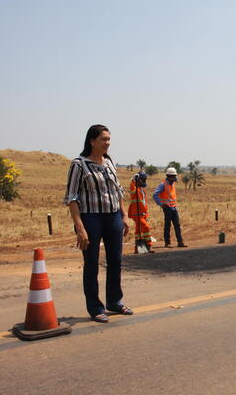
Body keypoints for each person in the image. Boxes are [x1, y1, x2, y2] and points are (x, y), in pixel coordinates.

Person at [64, 125, 133, 323]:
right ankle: (95, 308)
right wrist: (80, 228)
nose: (107, 143)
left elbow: (117, 191)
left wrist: (124, 216)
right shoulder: (79, 164)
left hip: (113, 218)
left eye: (109, 139)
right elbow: (72, 198)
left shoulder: (109, 162)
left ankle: (114, 301)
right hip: (91, 218)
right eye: (103, 139)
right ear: (92, 141)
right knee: (92, 264)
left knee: (115, 262)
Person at [153, 167, 187, 248]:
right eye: (173, 176)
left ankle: (180, 242)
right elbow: (155, 195)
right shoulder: (163, 184)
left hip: (174, 207)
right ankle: (167, 243)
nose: (175, 178)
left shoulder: (172, 184)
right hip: (167, 208)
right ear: (169, 176)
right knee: (167, 225)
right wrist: (161, 204)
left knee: (177, 225)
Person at [128, 171, 154, 253]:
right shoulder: (134, 188)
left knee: (138, 231)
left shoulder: (142, 189)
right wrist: (133, 180)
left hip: (143, 213)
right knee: (146, 227)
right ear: (138, 179)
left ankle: (137, 247)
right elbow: (131, 186)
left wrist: (146, 213)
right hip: (136, 213)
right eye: (142, 179)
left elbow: (143, 202)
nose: (144, 181)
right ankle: (149, 245)